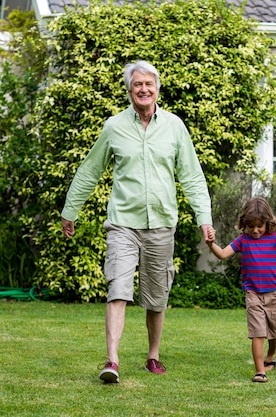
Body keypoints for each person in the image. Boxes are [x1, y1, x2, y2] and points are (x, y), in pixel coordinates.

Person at [61, 60, 213, 383]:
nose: (143, 89)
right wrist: (69, 210)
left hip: (160, 225)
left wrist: (205, 219)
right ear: (129, 90)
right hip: (123, 224)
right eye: (137, 85)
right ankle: (112, 360)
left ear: (157, 88)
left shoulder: (174, 127)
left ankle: (153, 355)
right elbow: (90, 170)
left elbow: (192, 177)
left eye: (149, 84)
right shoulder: (114, 127)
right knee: (118, 287)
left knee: (157, 297)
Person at [206, 196, 276, 383]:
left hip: (273, 293)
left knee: (273, 332)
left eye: (259, 226)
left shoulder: (275, 239)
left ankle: (270, 356)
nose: (255, 231)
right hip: (253, 294)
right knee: (258, 332)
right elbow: (223, 254)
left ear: (268, 222)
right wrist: (211, 244)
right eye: (251, 227)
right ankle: (260, 371)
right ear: (244, 225)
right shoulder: (243, 240)